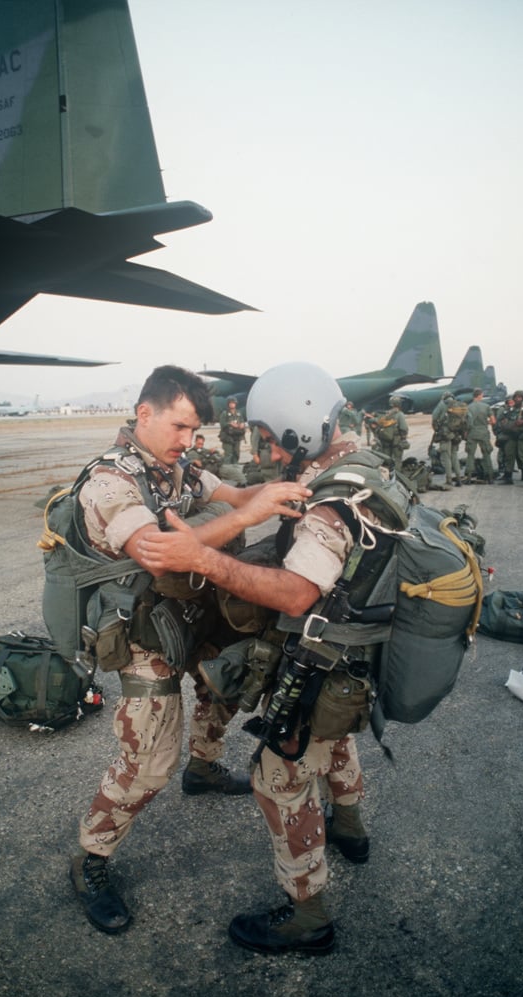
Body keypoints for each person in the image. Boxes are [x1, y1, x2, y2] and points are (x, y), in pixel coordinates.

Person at [137, 361, 404, 956]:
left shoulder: (331, 504)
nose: (263, 446)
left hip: (327, 656)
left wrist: (203, 559)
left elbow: (297, 592)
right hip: (358, 656)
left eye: (267, 434)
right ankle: (352, 830)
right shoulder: (364, 465)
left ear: (297, 426)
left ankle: (308, 916)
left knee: (278, 778)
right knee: (337, 739)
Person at [70, 365, 311, 934]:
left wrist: (299, 490)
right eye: (179, 426)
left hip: (186, 612)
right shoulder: (110, 482)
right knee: (147, 765)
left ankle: (202, 769)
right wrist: (248, 515)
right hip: (139, 634)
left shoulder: (174, 469)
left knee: (228, 679)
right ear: (144, 413)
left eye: (195, 429)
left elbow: (237, 493)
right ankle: (90, 858)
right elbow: (155, 550)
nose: (187, 440)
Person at [495, 390, 523, 486]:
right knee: (509, 455)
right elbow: (501, 420)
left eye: (520, 397)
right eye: (516, 397)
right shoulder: (510, 410)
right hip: (511, 436)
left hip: (522, 437)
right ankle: (508, 476)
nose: (517, 399)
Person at [431, 394, 466, 487]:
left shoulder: (442, 404)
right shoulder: (458, 405)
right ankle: (459, 478)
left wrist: (437, 429)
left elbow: (434, 417)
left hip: (445, 434)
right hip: (456, 435)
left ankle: (449, 479)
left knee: (446, 456)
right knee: (454, 456)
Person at [366, 396, 409, 470]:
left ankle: (386, 475)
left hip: (385, 439)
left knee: (386, 459)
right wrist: (403, 438)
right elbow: (403, 427)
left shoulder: (386, 414)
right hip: (396, 440)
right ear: (399, 404)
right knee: (397, 459)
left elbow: (378, 423)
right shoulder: (399, 414)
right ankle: (397, 477)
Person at [464, 388, 495, 484]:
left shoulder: (468, 407)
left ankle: (468, 477)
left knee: (470, 455)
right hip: (483, 433)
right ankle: (489, 477)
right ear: (480, 395)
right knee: (486, 454)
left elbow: (466, 423)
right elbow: (493, 421)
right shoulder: (486, 406)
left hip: (472, 433)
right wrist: (486, 422)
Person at [219, 397, 246, 464]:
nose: (232, 404)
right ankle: (226, 469)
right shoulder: (225, 413)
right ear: (228, 404)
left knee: (236, 453)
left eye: (233, 403)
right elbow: (222, 424)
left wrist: (242, 424)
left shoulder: (238, 413)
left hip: (237, 436)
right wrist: (230, 424)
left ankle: (235, 467)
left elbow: (242, 421)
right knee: (228, 454)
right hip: (228, 437)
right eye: (231, 403)